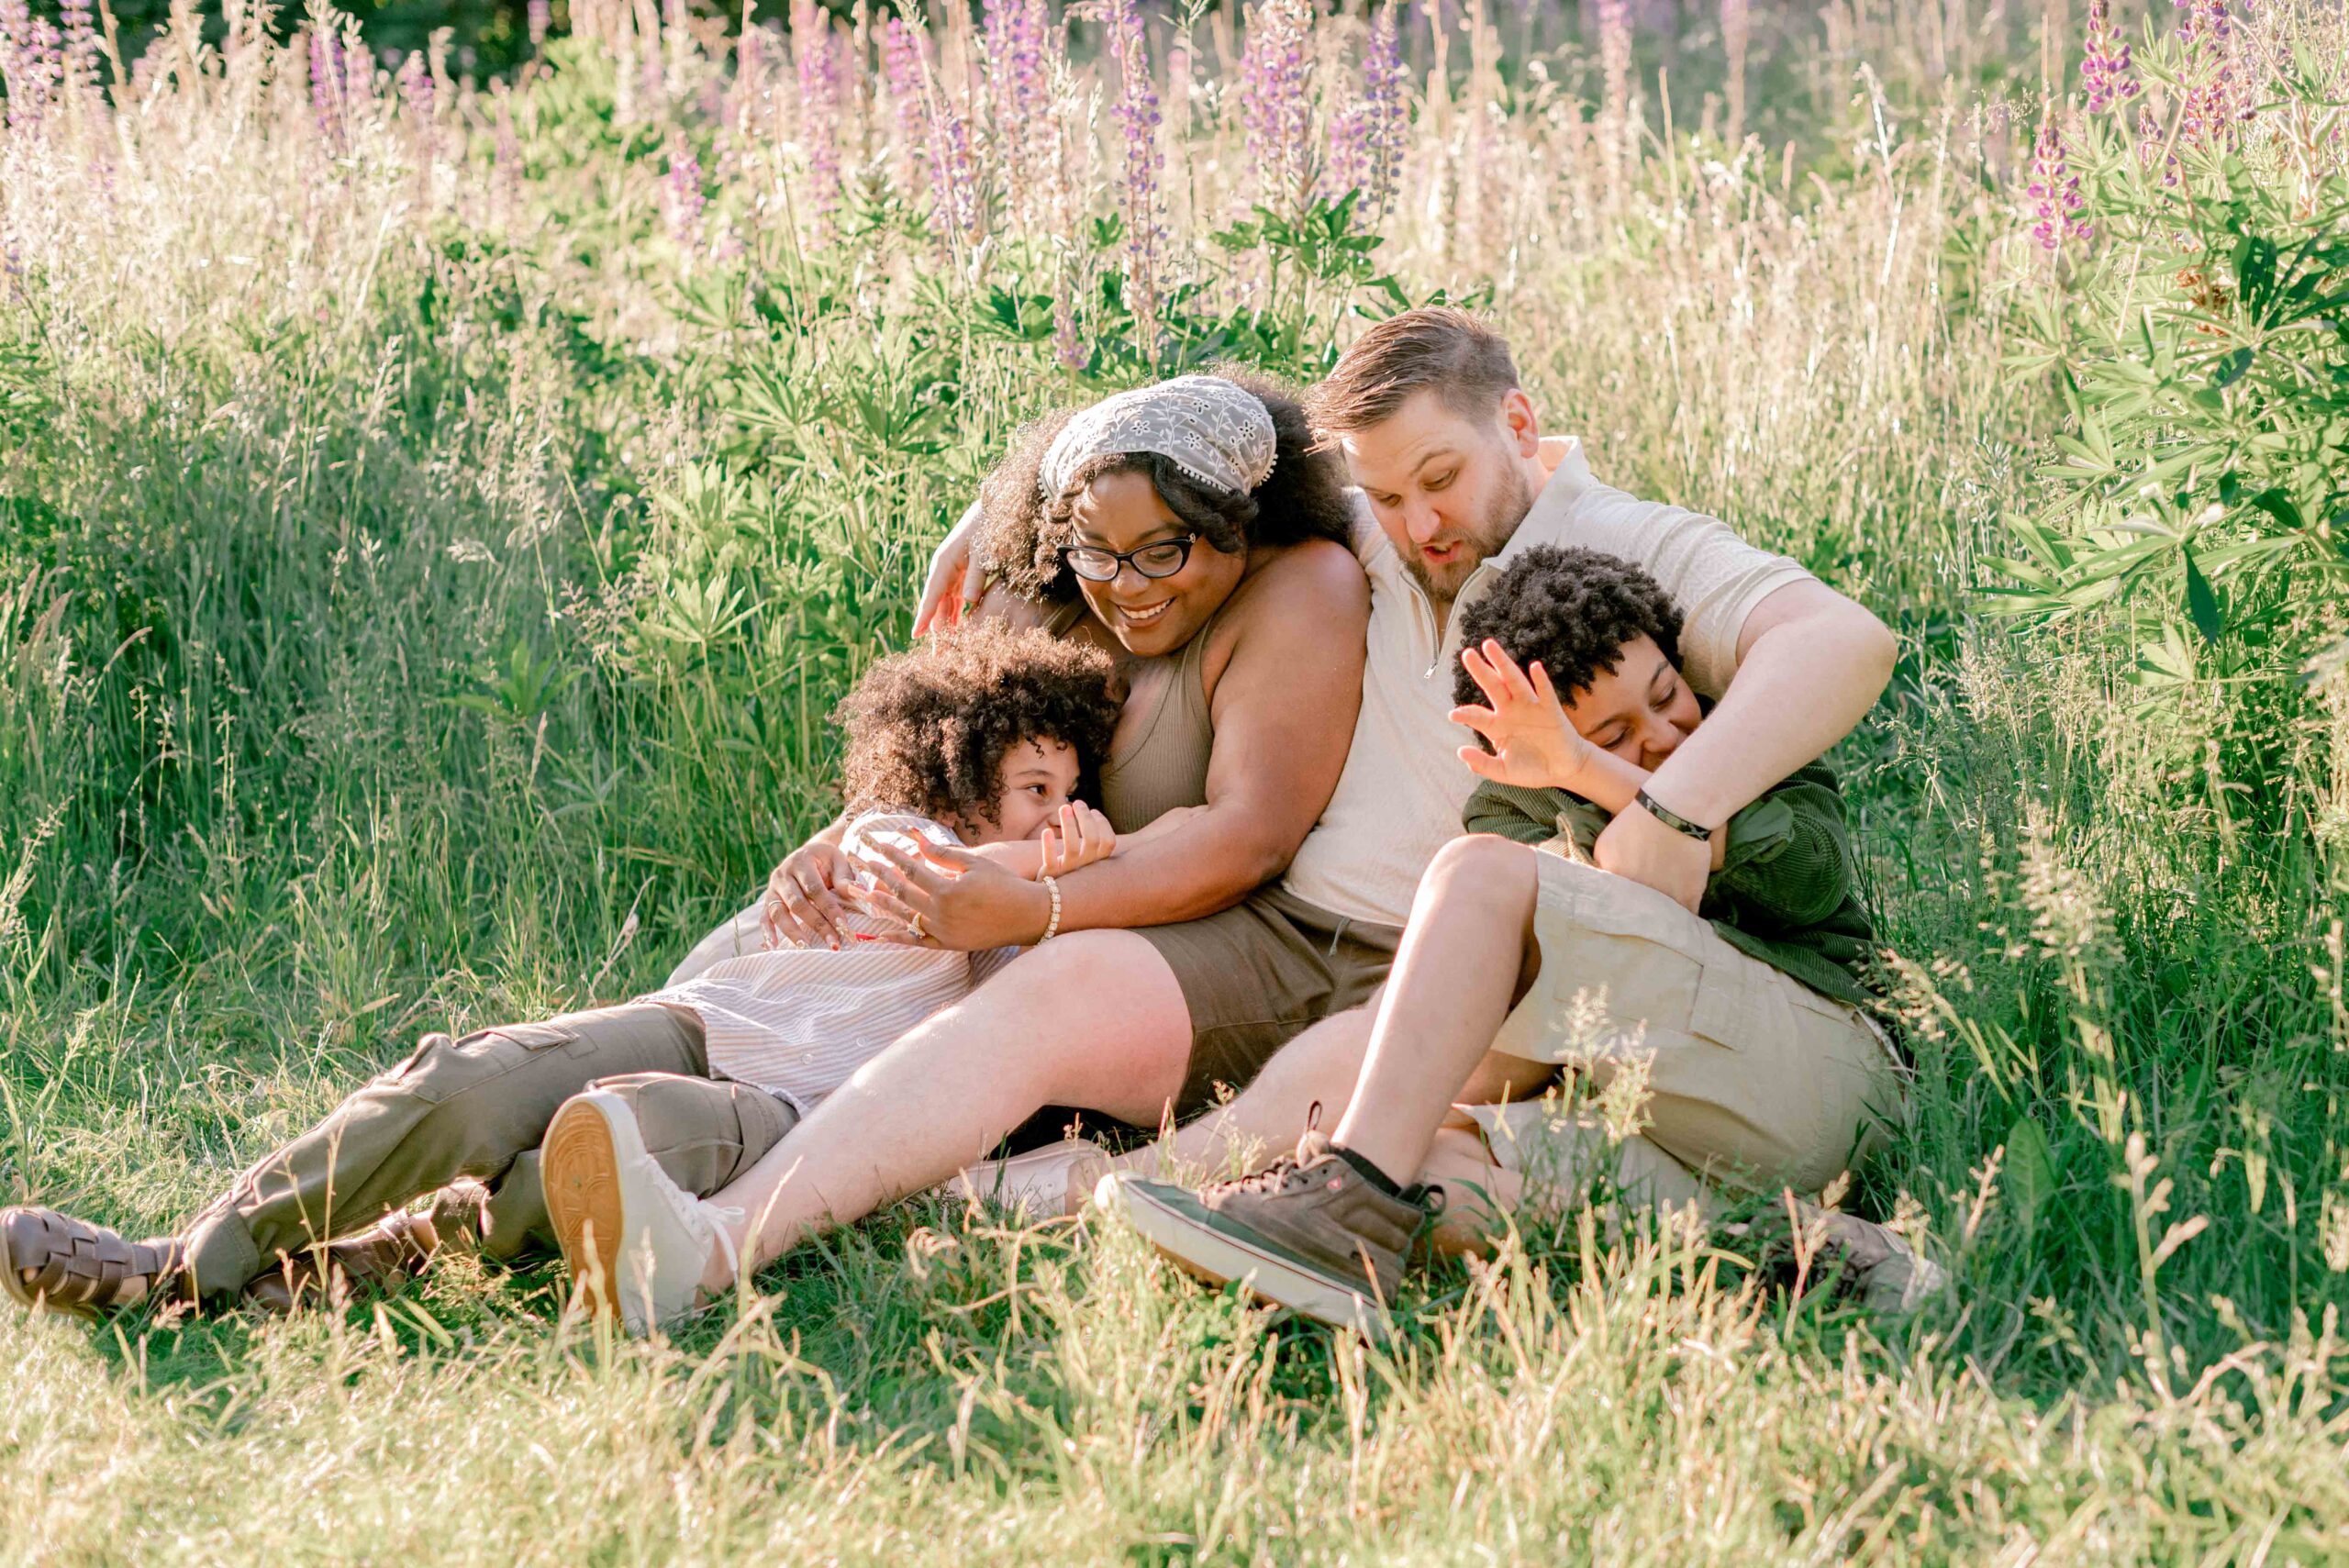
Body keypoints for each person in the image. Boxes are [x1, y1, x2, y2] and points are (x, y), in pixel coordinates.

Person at [544, 309, 1903, 1333]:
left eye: (1442, 477)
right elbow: (1191, 446)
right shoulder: (1373, 518)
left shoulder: (1627, 544)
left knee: (1285, 1122)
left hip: (1476, 970)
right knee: (1057, 985)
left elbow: (1838, 638)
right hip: (1290, 927)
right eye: (1386, 491)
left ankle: (1044, 1216)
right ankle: (709, 1245)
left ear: (1522, 426)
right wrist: (1003, 510)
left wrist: (1673, 798)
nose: (1417, 519)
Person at [0, 624, 1130, 1318]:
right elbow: (932, 864)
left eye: (1071, 791)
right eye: (1036, 784)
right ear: (961, 770)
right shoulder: (891, 835)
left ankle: (329, 1280)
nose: (1060, 810)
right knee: (466, 1081)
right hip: (702, 1021)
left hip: (788, 1114)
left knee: (595, 1144)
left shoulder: (1053, 910)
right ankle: (189, 1261)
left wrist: (1061, 872)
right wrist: (1033, 854)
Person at [1104, 548, 1940, 1332]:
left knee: (1476, 876)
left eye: (1663, 694)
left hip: (1823, 1081)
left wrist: (1590, 768)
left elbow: (1806, 875)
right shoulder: (1513, 812)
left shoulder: (1746, 741)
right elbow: (1527, 1038)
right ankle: (1782, 1250)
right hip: (1655, 1132)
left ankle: (1338, 1197)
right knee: (1423, 1172)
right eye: (1609, 735)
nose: (1659, 735)